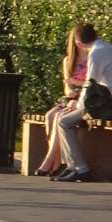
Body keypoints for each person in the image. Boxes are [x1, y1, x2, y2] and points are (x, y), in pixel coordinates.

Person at [51, 23, 112, 182]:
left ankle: (79, 168)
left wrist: (77, 107)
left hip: (108, 105)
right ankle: (71, 167)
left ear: (79, 43)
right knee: (63, 119)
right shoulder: (111, 48)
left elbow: (89, 84)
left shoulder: (95, 53)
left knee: (64, 122)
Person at [35, 22, 89, 177]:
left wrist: (75, 85)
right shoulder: (69, 60)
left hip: (84, 98)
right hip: (71, 97)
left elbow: (89, 83)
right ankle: (56, 161)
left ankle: (50, 161)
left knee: (59, 116)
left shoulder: (92, 58)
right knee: (49, 115)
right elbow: (66, 85)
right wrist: (71, 90)